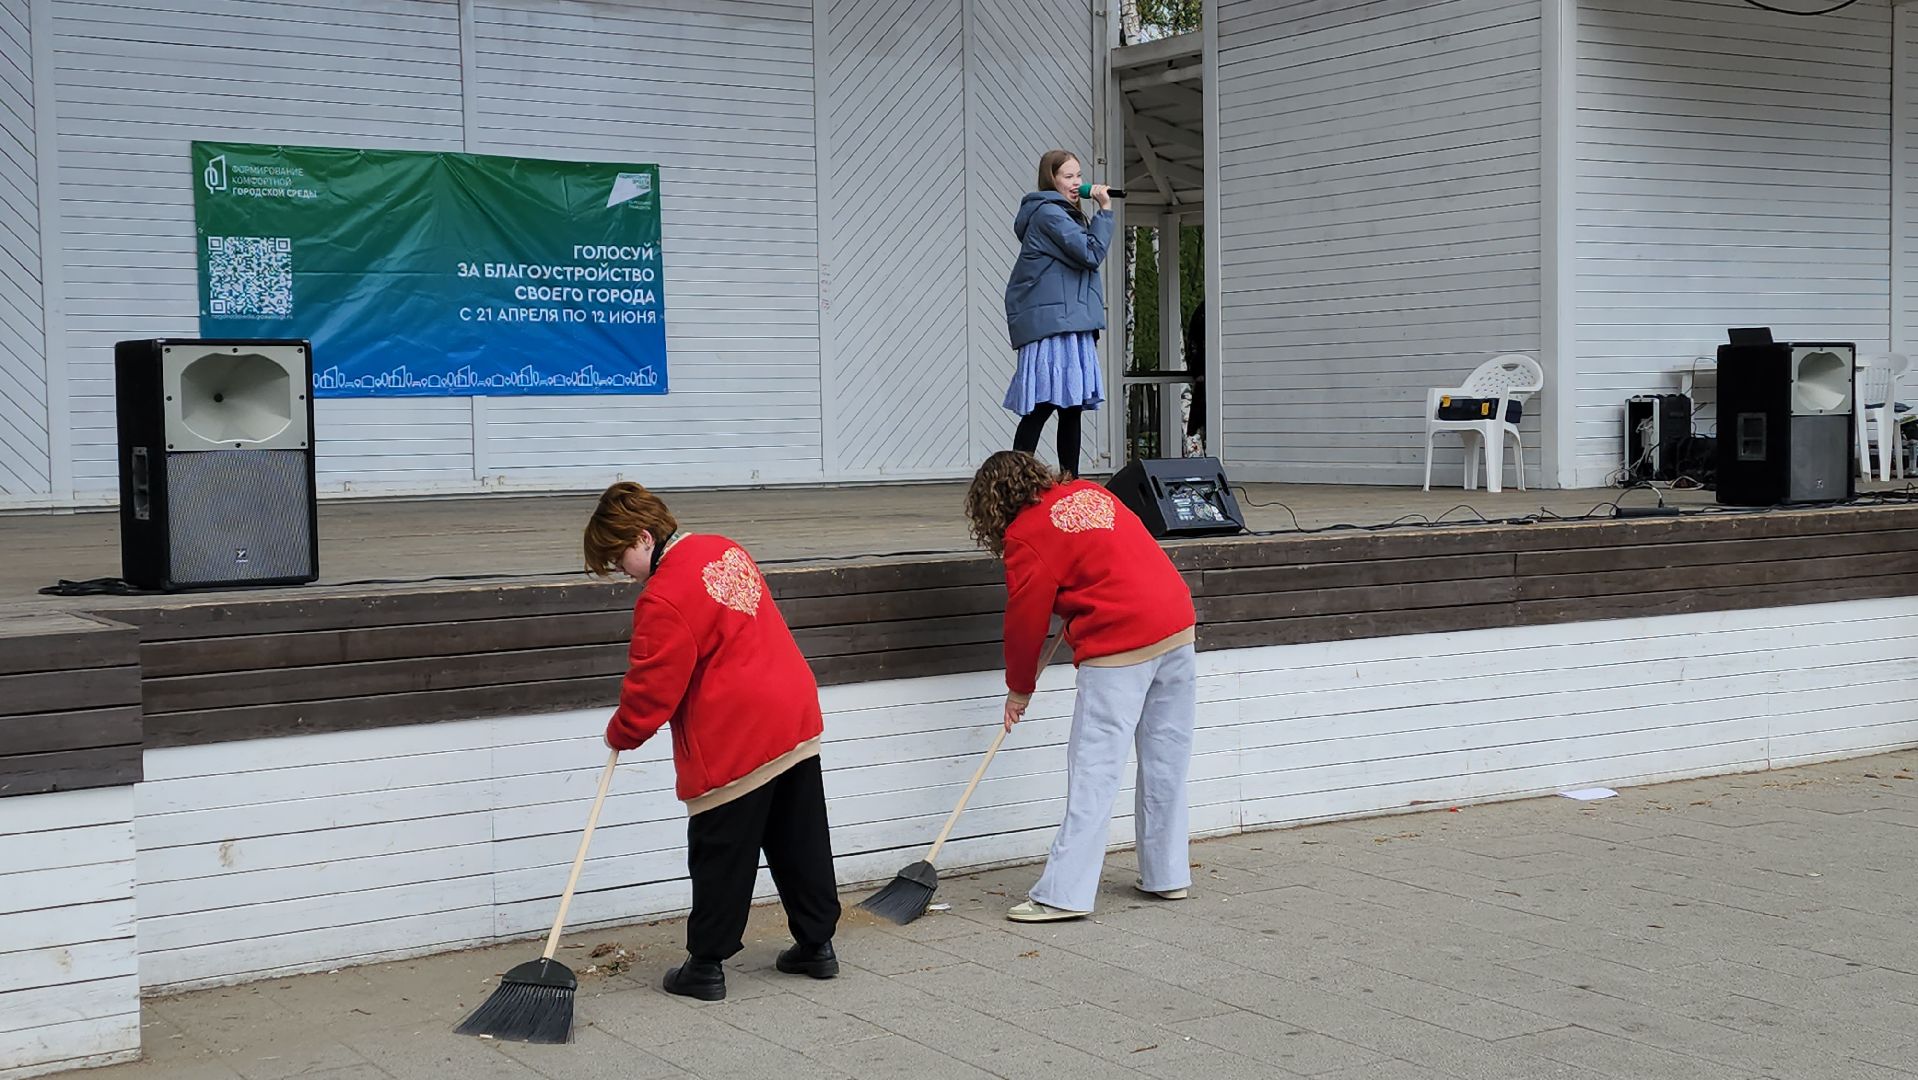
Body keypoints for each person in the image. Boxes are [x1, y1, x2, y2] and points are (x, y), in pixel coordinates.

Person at [584, 482, 841, 1001]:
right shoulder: (724, 548)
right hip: (790, 707)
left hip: (734, 730)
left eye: (618, 557)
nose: (620, 570)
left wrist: (622, 731)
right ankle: (817, 945)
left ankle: (706, 964)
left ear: (643, 536)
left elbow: (653, 684)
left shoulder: (662, 596)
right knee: (799, 836)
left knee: (722, 848)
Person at [961, 451, 1198, 921]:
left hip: (1119, 646)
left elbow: (1024, 623)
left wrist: (1019, 688)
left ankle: (1063, 894)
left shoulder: (1024, 536)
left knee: (1094, 769)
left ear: (990, 504)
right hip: (1176, 626)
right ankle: (1168, 875)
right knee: (1166, 759)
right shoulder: (1090, 492)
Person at [1003, 149, 1116, 479]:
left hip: (1070, 322)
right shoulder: (1049, 216)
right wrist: (1105, 211)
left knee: (1071, 407)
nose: (1077, 182)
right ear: (1050, 179)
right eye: (1068, 176)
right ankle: (1014, 482)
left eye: (1079, 175)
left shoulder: (1064, 215)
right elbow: (1090, 253)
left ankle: (1070, 483)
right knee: (1044, 405)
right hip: (1055, 325)